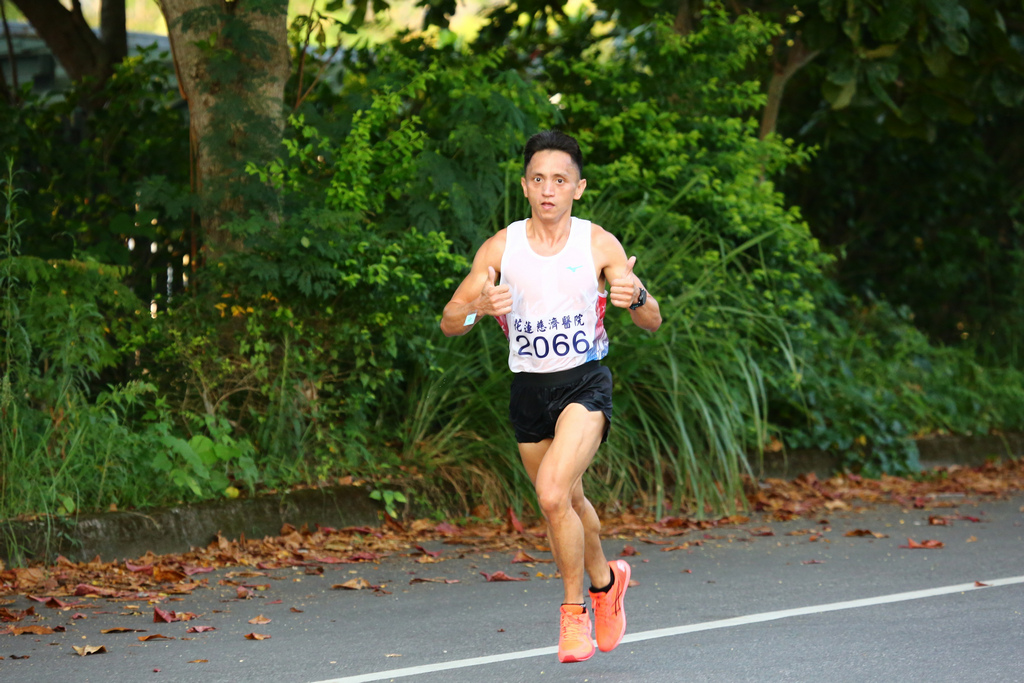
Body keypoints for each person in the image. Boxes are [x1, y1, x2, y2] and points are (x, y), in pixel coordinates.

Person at [440, 130, 662, 663]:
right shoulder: (501, 248)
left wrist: (637, 297)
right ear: (524, 186)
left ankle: (573, 615)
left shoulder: (598, 243)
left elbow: (652, 320)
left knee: (552, 494)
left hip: (585, 384)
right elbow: (450, 321)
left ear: (578, 188)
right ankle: (607, 583)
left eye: (560, 180)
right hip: (529, 392)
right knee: (570, 502)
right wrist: (478, 309)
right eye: (538, 179)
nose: (548, 189)